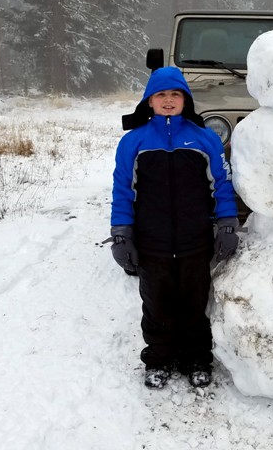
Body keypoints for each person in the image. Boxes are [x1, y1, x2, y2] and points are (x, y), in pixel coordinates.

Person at [110, 66, 239, 390]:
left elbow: (222, 185)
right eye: (161, 95)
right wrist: (122, 234)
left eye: (175, 94)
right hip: (151, 243)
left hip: (195, 242)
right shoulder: (133, 142)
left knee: (195, 304)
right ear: (149, 101)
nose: (168, 100)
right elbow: (122, 191)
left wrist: (226, 224)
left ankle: (196, 359)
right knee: (157, 305)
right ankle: (160, 360)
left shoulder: (205, 138)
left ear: (186, 100)